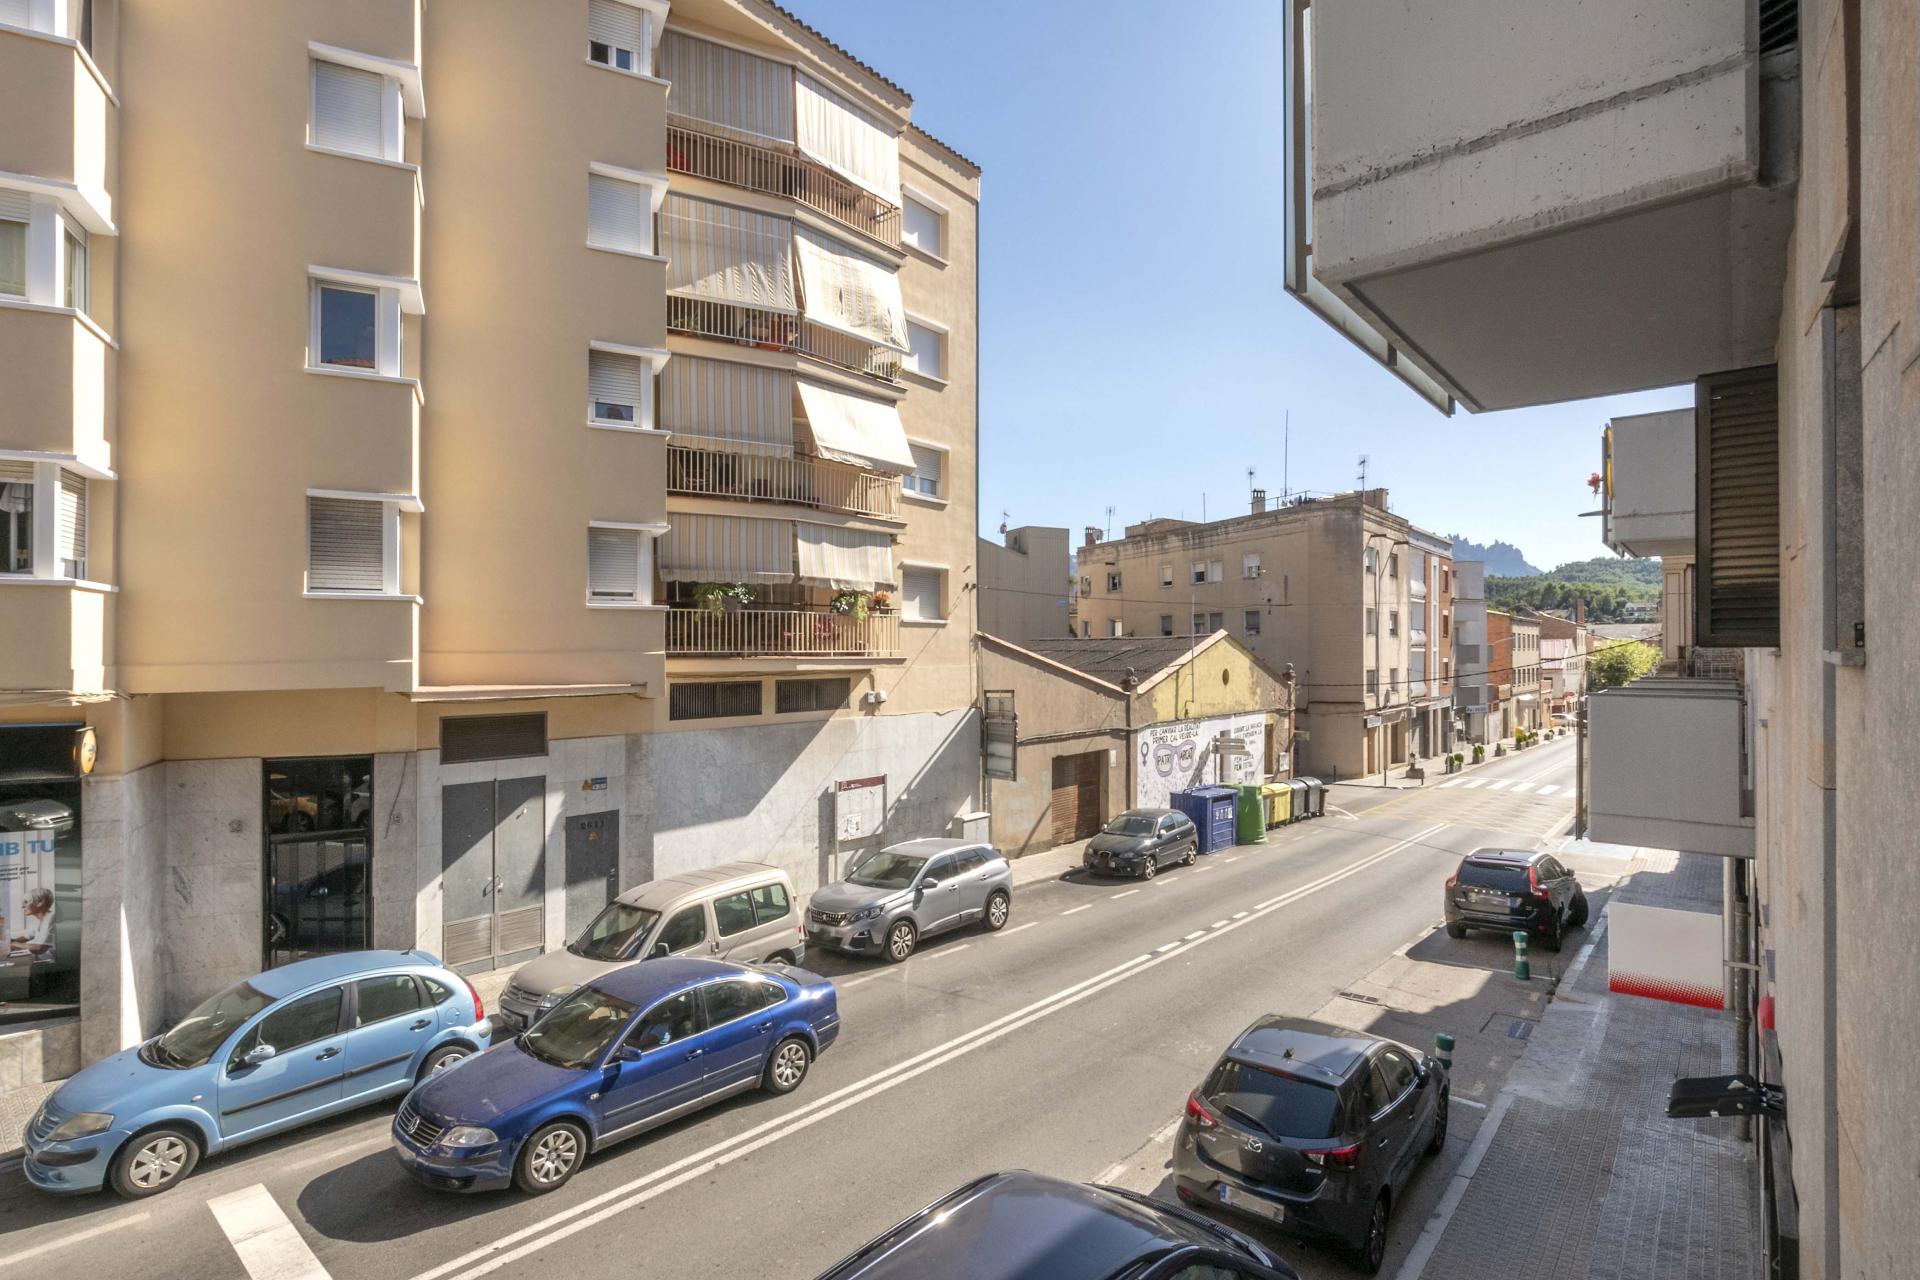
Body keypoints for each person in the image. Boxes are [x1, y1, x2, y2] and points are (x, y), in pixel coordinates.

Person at [12, 889, 54, 960]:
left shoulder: (51, 919)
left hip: (50, 962)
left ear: (40, 902)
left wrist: (12, 944)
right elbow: (26, 937)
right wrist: (9, 941)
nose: (22, 906)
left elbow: (40, 948)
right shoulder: (38, 920)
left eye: (26, 902)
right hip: (42, 959)